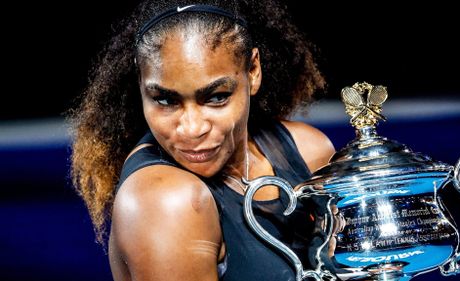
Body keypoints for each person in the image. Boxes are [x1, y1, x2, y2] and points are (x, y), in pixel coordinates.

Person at [69, 0, 336, 280]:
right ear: (140, 82)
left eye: (217, 97)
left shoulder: (308, 150)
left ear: (253, 70)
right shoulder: (167, 201)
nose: (192, 129)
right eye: (165, 100)